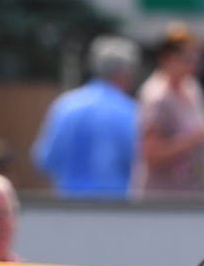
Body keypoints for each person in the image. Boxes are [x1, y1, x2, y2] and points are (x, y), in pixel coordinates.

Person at [32, 35, 141, 198]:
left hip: (67, 207)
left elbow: (44, 160)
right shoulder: (129, 111)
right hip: (115, 211)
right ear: (125, 73)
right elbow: (140, 162)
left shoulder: (65, 106)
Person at [132, 23, 204, 197]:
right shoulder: (157, 96)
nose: (195, 63)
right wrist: (191, 140)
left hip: (193, 195)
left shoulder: (191, 87)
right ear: (167, 57)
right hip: (164, 202)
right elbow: (150, 154)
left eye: (198, 56)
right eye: (188, 57)